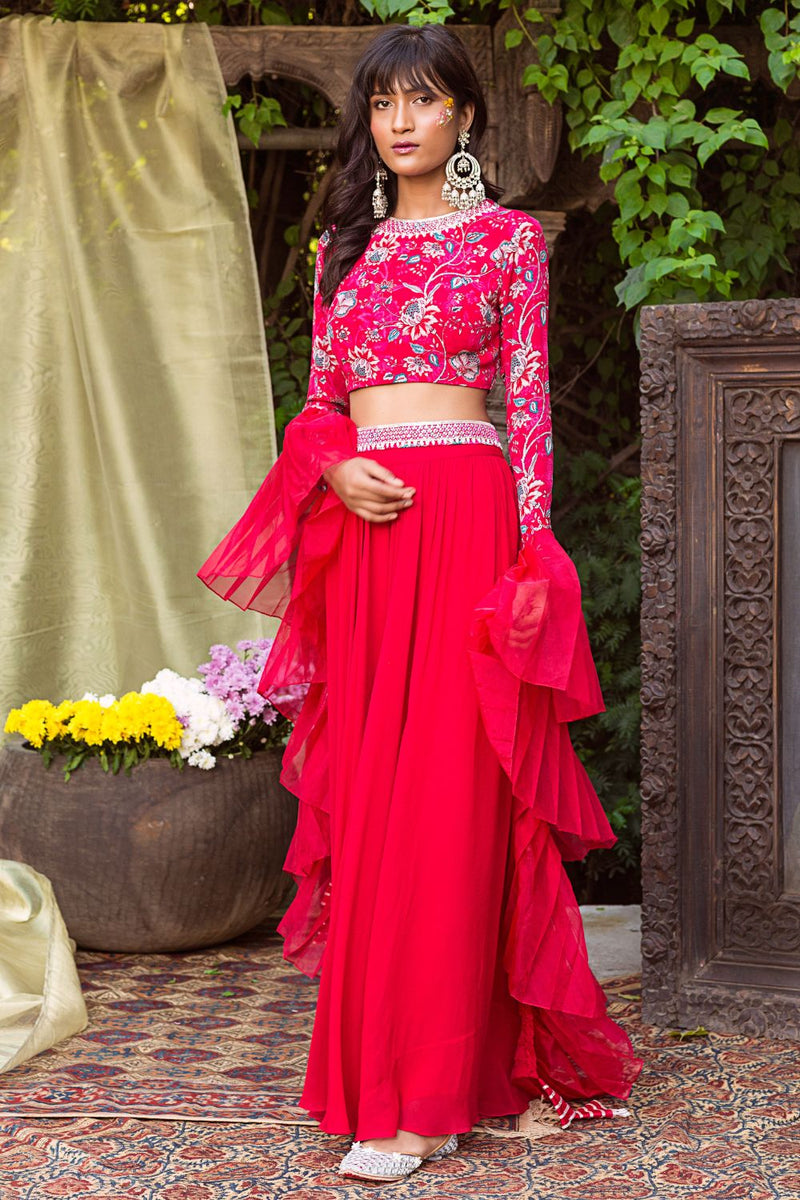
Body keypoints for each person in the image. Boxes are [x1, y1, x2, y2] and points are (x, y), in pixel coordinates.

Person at [198, 22, 643, 1184]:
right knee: (382, 800)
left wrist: (533, 555)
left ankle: (427, 1097)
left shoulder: (503, 242)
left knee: (451, 793)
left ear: (463, 119)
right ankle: (378, 1077)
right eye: (383, 104)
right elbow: (315, 406)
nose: (401, 122)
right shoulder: (340, 249)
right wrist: (333, 464)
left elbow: (531, 406)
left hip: (465, 523)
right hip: (368, 535)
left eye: (424, 102)